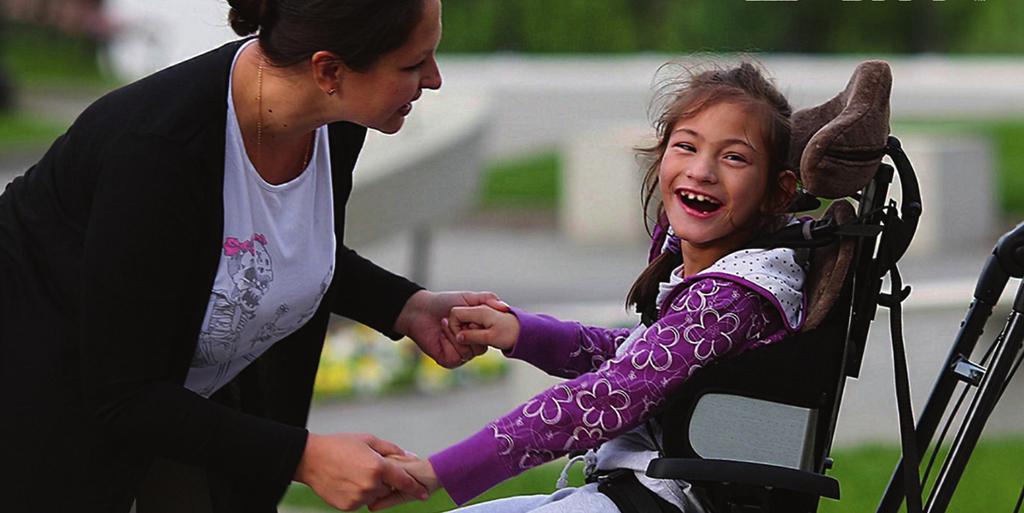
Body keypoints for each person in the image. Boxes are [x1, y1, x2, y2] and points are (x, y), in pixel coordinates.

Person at [0, 0, 505, 511]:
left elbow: (274, 246)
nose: (434, 79)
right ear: (329, 69)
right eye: (413, 64)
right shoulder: (159, 154)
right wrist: (304, 457)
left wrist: (407, 305)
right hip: (42, 417)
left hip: (171, 411)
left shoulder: (336, 117)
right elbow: (124, 393)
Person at [373, 63, 803, 513]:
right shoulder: (716, 280)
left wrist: (442, 470)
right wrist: (522, 333)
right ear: (660, 156)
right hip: (641, 490)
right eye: (686, 146)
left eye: (734, 157)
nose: (702, 170)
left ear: (778, 193)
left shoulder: (731, 297)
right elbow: (640, 359)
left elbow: (606, 396)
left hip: (673, 499)